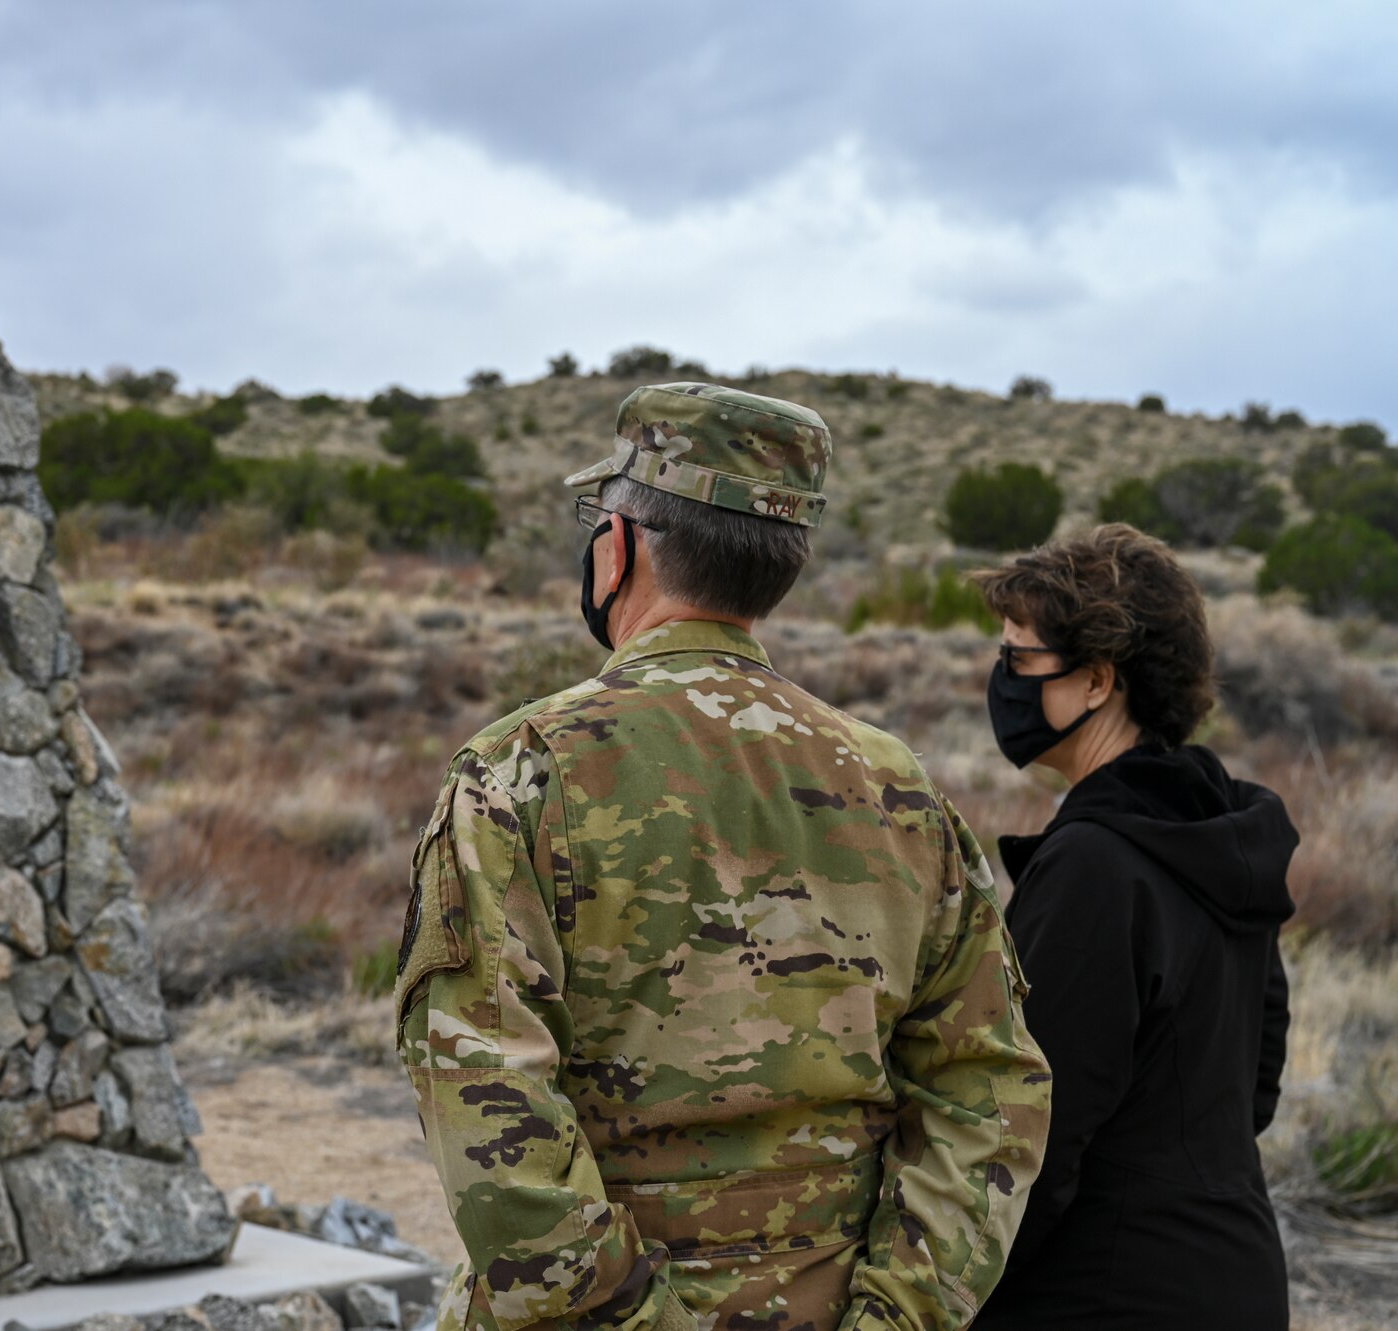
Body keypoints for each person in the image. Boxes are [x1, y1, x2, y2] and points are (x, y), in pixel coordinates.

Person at [397, 381, 1052, 1331]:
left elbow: (486, 1098)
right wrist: (897, 1316)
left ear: (616, 548)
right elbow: (987, 1085)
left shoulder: (522, 773)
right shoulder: (896, 786)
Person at [969, 524, 1296, 1330]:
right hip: (1236, 1275)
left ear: (1097, 680)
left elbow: (1035, 1140)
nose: (1000, 680)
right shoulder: (1219, 839)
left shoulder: (1096, 865)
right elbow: (1255, 1081)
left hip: (1108, 1292)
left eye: (1019, 657)